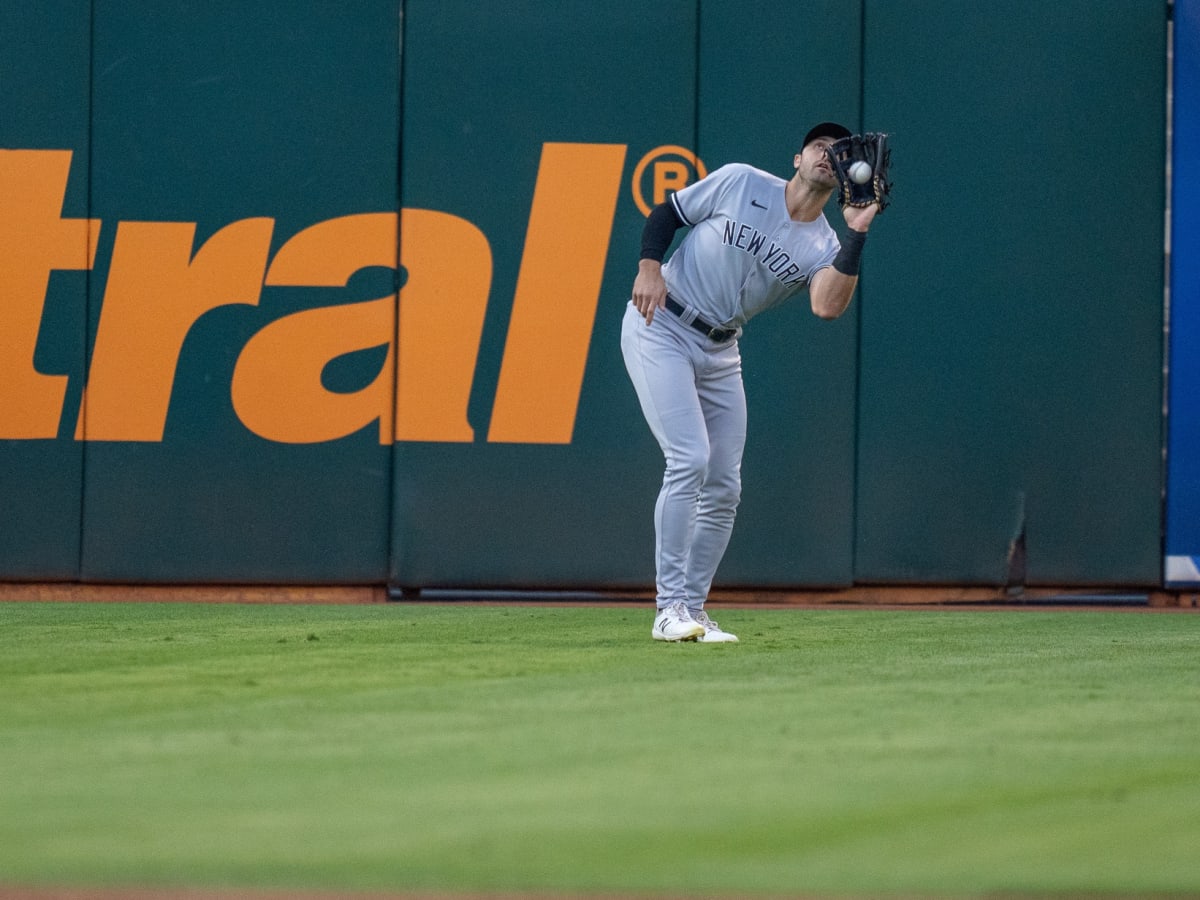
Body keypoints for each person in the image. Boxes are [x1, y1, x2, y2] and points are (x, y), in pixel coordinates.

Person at [621, 122, 881, 643]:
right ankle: (668, 607)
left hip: (720, 349)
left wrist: (857, 231)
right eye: (819, 147)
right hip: (663, 324)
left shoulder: (826, 243)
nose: (828, 155)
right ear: (797, 157)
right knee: (689, 458)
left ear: (848, 175)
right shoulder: (741, 181)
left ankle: (692, 610)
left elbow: (827, 306)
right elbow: (667, 214)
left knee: (724, 484)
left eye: (839, 151)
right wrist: (649, 266)